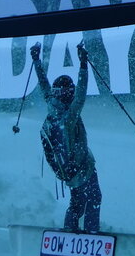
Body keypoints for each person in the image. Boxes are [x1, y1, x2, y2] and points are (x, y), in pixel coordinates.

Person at [30, 40, 103, 233]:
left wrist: (36, 60)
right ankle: (91, 235)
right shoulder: (69, 116)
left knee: (77, 203)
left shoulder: (52, 107)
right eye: (71, 90)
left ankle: (69, 233)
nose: (73, 93)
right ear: (67, 93)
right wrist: (83, 65)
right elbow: (81, 95)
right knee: (94, 198)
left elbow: (43, 84)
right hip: (83, 167)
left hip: (67, 170)